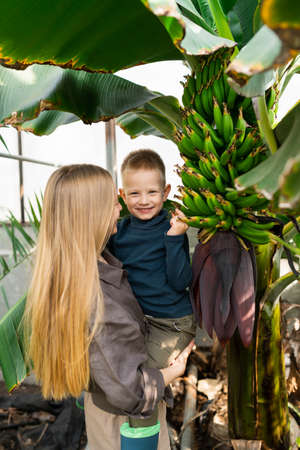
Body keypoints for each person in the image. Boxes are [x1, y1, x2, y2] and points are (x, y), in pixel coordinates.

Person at [23, 164, 194, 450]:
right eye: (114, 202)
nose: (120, 209)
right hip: (126, 429)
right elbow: (132, 392)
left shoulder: (93, 263)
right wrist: (173, 372)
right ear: (91, 215)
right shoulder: (97, 301)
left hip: (104, 412)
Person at [109, 149, 196, 383]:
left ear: (165, 192)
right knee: (114, 366)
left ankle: (149, 421)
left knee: (144, 378)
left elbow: (180, 282)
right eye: (134, 193)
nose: (144, 200)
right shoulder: (119, 232)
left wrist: (175, 237)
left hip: (172, 322)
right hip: (138, 320)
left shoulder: (172, 228)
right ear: (122, 195)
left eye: (152, 192)